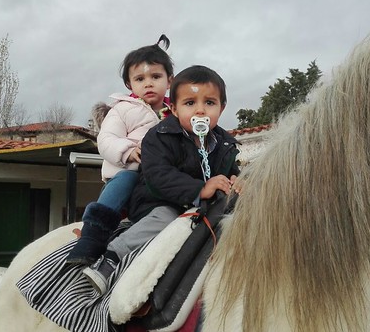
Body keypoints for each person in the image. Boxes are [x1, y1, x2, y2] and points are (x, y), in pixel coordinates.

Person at [83, 65, 240, 295]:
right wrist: (200, 188)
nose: (200, 111)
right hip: (157, 202)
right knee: (168, 218)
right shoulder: (159, 137)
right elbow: (159, 176)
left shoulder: (225, 144)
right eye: (189, 103)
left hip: (202, 209)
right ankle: (112, 257)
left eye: (209, 103)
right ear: (174, 109)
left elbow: (230, 170)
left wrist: (238, 179)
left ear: (222, 107)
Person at [65, 35, 174, 265]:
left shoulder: (175, 114)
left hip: (159, 178)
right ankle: (92, 235)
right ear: (129, 84)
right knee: (124, 179)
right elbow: (106, 139)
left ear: (170, 80)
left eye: (156, 76)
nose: (148, 83)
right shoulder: (123, 110)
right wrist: (127, 152)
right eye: (140, 78)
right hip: (128, 171)